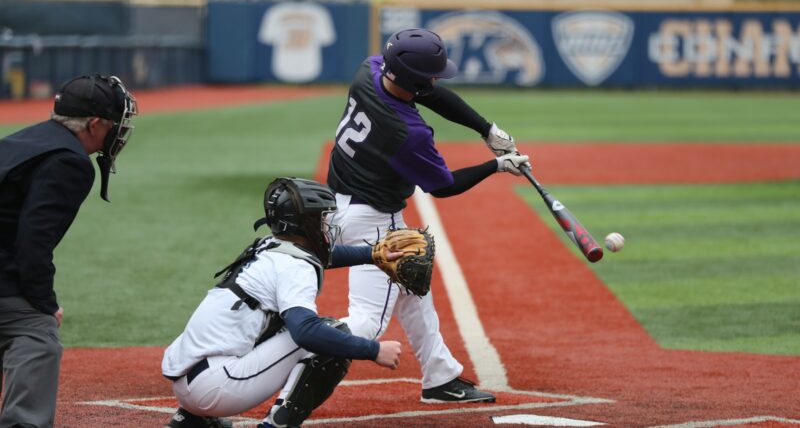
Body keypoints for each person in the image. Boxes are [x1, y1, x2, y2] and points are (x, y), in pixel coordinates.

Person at [326, 28, 529, 403]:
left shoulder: (369, 70)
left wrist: (486, 129)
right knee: (367, 323)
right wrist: (497, 165)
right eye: (432, 74)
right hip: (374, 220)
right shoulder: (408, 133)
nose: (437, 79)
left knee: (413, 288)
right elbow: (443, 186)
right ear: (414, 80)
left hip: (337, 203)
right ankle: (291, 348)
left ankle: (440, 376)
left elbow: (429, 92)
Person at [162, 177, 404, 428]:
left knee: (276, 323)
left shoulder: (270, 246)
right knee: (327, 333)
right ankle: (277, 425)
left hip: (189, 379)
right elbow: (306, 332)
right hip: (216, 388)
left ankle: (191, 419)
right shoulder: (295, 267)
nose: (326, 225)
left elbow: (322, 257)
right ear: (305, 224)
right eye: (321, 218)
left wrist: (373, 254)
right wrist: (373, 351)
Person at [0, 75, 138, 427]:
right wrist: (44, 304)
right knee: (36, 334)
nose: (119, 132)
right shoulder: (69, 160)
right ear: (94, 124)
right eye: (115, 124)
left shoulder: (25, 139)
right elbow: (34, 242)